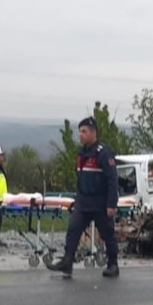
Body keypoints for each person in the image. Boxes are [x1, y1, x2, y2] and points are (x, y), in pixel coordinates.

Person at [47, 117, 120, 278]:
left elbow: (112, 180)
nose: (80, 135)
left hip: (100, 203)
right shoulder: (81, 154)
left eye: (84, 131)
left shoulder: (103, 153)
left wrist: (111, 204)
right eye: (79, 131)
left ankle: (113, 264)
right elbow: (80, 179)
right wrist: (77, 200)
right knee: (73, 229)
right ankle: (67, 262)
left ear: (93, 133)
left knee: (107, 233)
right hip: (83, 202)